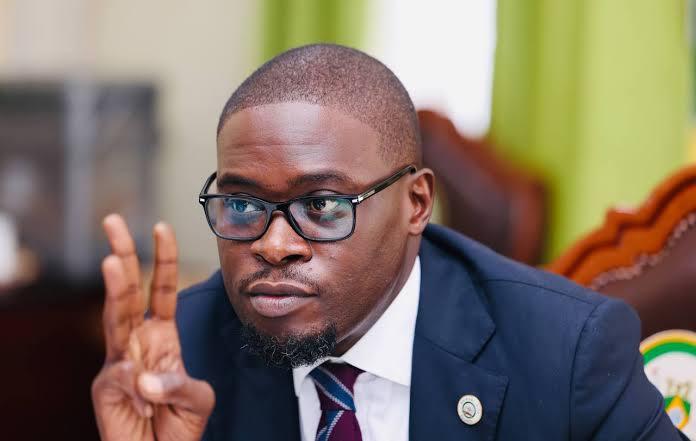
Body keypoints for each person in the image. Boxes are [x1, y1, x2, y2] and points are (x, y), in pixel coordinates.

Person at [91, 44, 686, 441]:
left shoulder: (566, 353)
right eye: (244, 205)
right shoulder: (182, 354)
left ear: (416, 204)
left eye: (322, 205)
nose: (274, 245)